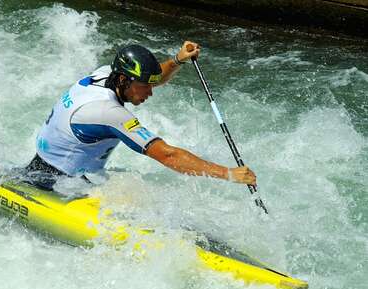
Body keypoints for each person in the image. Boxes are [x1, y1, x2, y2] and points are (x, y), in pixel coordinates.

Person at [26, 41, 256, 189]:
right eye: (145, 87)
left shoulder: (105, 74)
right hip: (58, 185)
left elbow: (153, 78)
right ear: (125, 80)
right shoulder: (109, 113)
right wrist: (227, 173)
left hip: (45, 167)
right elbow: (168, 156)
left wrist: (177, 60)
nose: (150, 93)